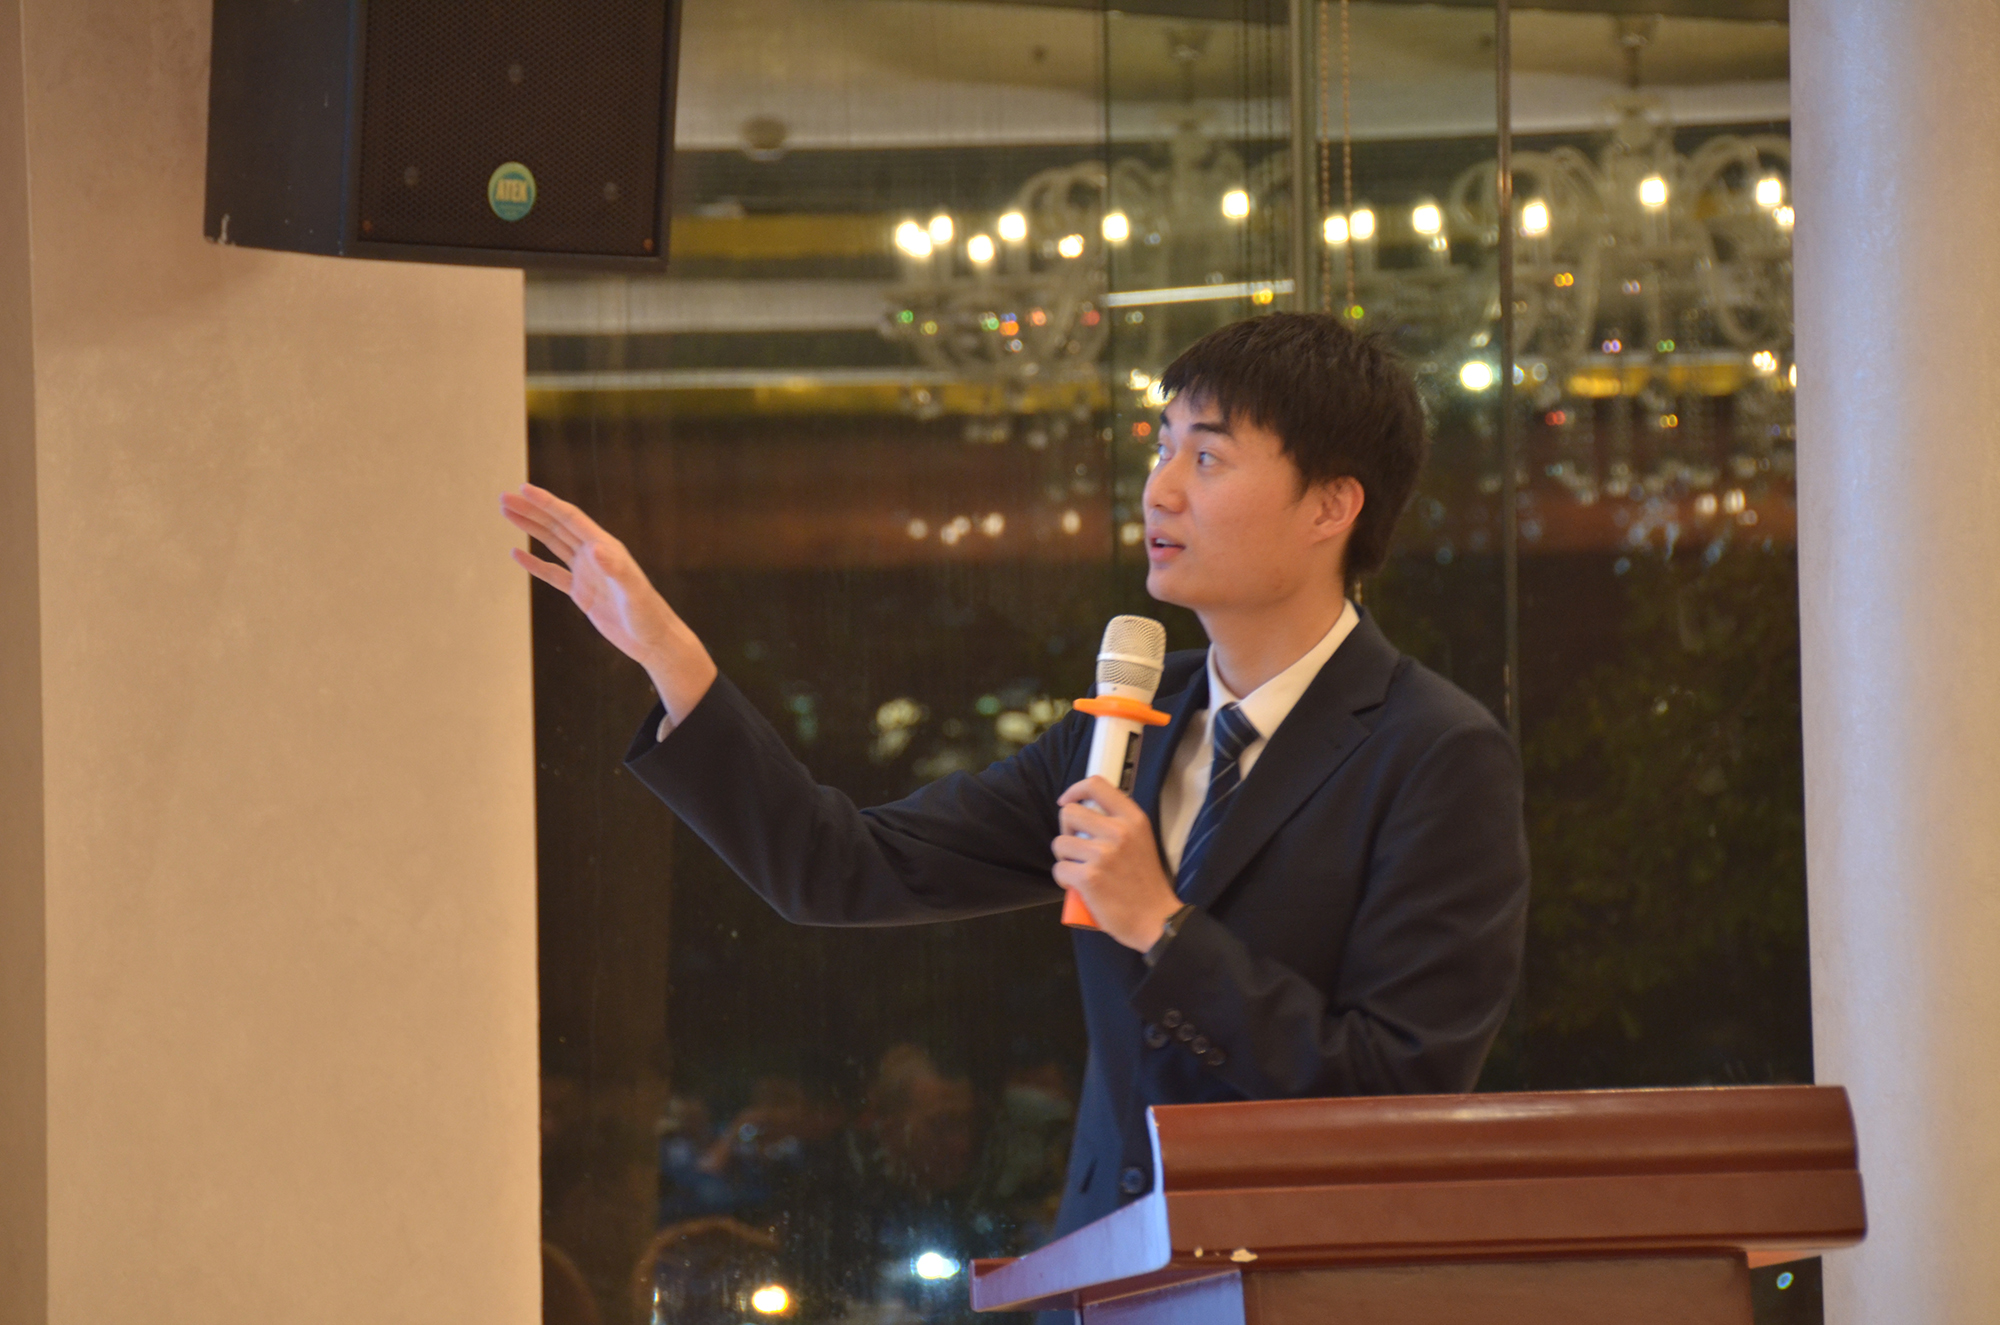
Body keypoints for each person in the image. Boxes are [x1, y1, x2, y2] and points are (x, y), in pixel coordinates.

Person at [500, 312, 1530, 1249]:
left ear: (1331, 505)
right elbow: (836, 866)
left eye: (1208, 456)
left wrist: (1160, 927)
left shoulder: (1433, 752)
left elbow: (1399, 1088)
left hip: (1312, 1281)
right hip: (1110, 1271)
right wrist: (671, 658)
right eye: (1162, 446)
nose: (1160, 488)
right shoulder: (1128, 725)